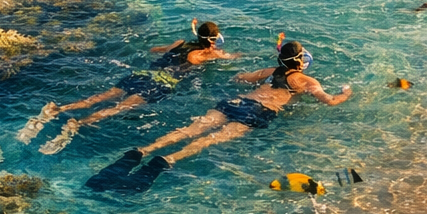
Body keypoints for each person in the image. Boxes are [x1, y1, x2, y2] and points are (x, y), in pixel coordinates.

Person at [86, 38, 352, 193]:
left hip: (236, 101)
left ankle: (143, 150)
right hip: (259, 112)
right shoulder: (306, 81)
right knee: (208, 140)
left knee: (188, 130)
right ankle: (168, 159)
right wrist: (346, 93)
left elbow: (239, 78)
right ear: (300, 60)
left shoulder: (269, 71)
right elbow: (329, 102)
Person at [18, 22, 236, 154]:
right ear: (213, 39)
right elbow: (231, 57)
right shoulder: (208, 54)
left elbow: (154, 49)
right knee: (120, 107)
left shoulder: (179, 43)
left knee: (103, 96)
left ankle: (57, 110)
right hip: (161, 83)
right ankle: (77, 123)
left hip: (144, 74)